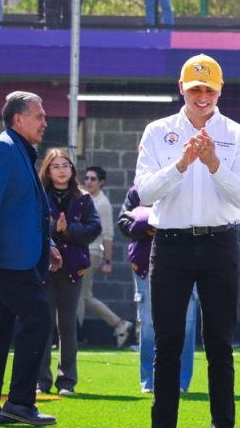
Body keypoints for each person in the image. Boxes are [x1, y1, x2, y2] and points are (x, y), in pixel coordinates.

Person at [134, 54, 240, 428]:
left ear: (219, 91)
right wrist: (183, 163)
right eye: (195, 89)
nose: (202, 96)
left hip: (220, 244)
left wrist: (213, 163)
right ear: (181, 89)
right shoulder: (158, 132)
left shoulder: (236, 134)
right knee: (167, 345)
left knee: (220, 345)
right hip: (169, 246)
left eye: (209, 89)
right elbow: (145, 194)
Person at [0, 91, 62, 427]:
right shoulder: (2, 148)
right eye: (39, 116)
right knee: (37, 315)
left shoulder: (18, 150)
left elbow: (22, 209)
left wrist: (45, 245)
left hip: (14, 256)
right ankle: (20, 402)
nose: (45, 122)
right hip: (3, 260)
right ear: (18, 119)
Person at [118, 185, 200, 394]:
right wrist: (147, 225)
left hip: (185, 260)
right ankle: (149, 380)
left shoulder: (187, 184)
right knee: (147, 323)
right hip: (145, 264)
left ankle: (181, 381)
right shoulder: (137, 191)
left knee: (187, 322)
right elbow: (124, 222)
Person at [37, 149, 102, 397]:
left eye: (66, 165)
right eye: (56, 166)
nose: (62, 170)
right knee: (43, 324)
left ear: (73, 170)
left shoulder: (83, 198)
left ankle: (67, 381)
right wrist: (54, 228)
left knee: (67, 325)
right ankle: (41, 381)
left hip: (73, 268)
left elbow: (93, 228)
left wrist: (68, 230)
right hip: (43, 268)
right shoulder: (39, 196)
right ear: (47, 170)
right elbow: (32, 226)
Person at [78, 165, 132, 347]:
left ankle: (75, 334)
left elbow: (108, 234)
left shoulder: (103, 203)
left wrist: (108, 261)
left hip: (92, 252)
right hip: (82, 250)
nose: (88, 182)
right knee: (83, 296)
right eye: (86, 178)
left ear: (101, 182)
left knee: (80, 295)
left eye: (93, 179)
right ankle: (119, 324)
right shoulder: (84, 199)